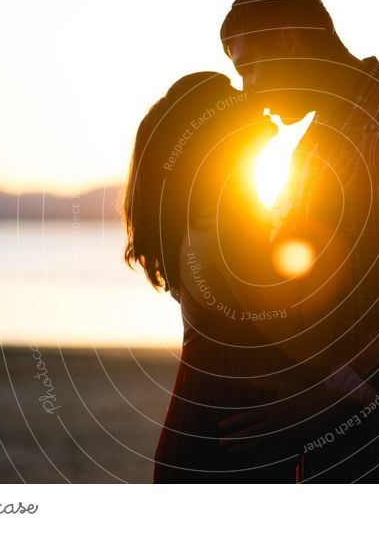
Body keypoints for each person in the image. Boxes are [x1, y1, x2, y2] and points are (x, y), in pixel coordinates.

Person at [216, 0, 379, 482]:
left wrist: (335, 388)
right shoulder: (316, 142)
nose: (250, 92)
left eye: (250, 68)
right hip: (333, 399)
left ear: (289, 40)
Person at [122, 72, 304, 482]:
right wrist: (355, 391)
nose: (252, 98)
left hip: (213, 432)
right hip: (232, 442)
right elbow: (292, 330)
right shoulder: (229, 225)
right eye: (234, 98)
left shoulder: (205, 220)